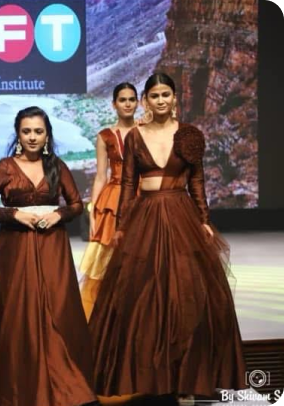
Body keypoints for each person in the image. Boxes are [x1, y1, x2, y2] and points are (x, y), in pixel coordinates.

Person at [89, 73, 247, 403]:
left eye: (166, 94)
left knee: (186, 294)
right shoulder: (136, 136)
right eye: (154, 95)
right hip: (145, 218)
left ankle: (186, 377)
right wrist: (121, 225)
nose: (160, 100)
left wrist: (204, 219)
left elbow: (197, 182)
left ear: (174, 98)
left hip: (180, 216)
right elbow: (129, 184)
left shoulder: (189, 135)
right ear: (146, 100)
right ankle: (151, 376)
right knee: (145, 296)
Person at [0, 106, 97, 406]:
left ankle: (62, 379)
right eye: (26, 131)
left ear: (47, 135)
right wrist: (14, 214)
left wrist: (59, 215)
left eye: (38, 131)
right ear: (18, 134)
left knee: (55, 307)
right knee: (16, 310)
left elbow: (76, 204)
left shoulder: (56, 166)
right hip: (15, 247)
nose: (32, 137)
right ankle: (17, 384)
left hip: (52, 245)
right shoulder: (5, 167)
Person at [80, 82, 139, 321]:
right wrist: (93, 209)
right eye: (123, 100)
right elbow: (100, 176)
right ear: (114, 104)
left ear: (138, 102)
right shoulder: (105, 136)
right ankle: (108, 318)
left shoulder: (145, 130)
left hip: (141, 197)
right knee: (107, 259)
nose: (127, 104)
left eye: (132, 99)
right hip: (113, 199)